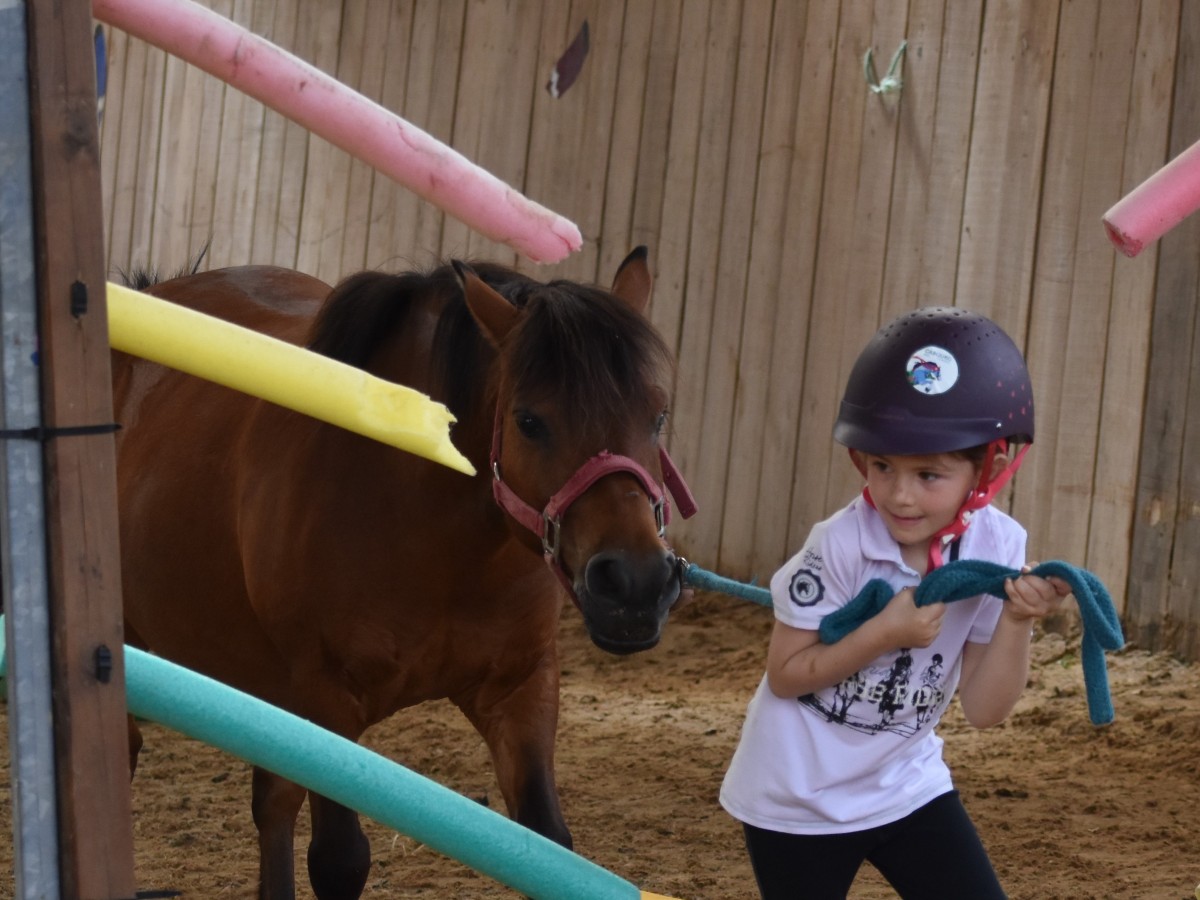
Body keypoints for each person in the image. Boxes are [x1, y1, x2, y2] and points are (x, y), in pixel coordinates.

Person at [719, 306, 1071, 899]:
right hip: (796, 797)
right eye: (883, 466)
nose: (899, 496)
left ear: (991, 466)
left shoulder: (998, 546)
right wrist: (883, 632)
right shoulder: (836, 545)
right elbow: (785, 675)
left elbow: (984, 711)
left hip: (906, 785)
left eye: (928, 474)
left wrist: (1017, 619)